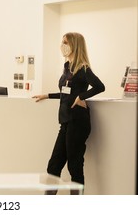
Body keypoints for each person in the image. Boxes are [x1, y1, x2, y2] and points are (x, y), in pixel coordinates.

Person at [33, 32, 105, 193]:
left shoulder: (84, 68)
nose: (62, 45)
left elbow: (100, 86)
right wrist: (47, 95)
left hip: (78, 122)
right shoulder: (67, 67)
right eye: (62, 42)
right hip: (65, 121)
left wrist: (82, 96)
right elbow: (67, 93)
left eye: (66, 42)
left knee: (74, 166)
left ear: (75, 45)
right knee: (53, 166)